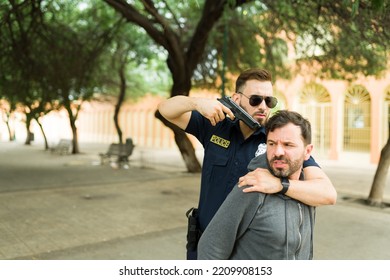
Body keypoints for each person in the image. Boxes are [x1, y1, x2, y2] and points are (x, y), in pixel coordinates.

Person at [157, 68, 336, 260]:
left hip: (244, 252)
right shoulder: (216, 126)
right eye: (255, 99)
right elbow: (165, 109)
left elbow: (326, 193)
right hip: (205, 245)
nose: (263, 107)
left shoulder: (275, 142)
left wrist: (280, 185)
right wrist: (197, 103)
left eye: (269, 101)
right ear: (236, 99)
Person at [197, 110, 317, 260]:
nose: (278, 152)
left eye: (288, 145)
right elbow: (210, 248)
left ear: (307, 152)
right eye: (271, 143)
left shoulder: (308, 189)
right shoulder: (252, 187)